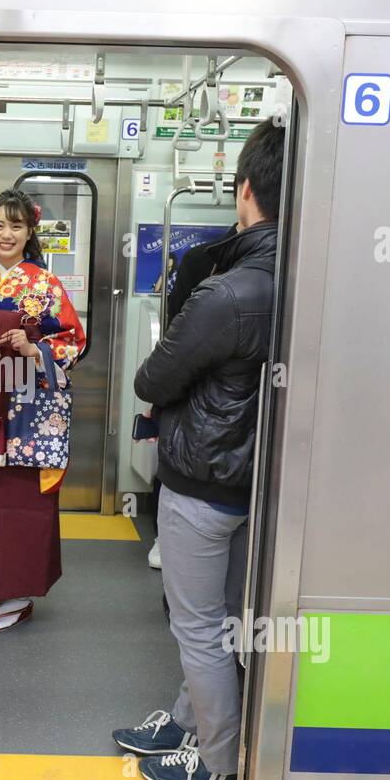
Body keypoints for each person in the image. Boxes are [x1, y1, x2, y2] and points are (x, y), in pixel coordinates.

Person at [113, 119, 284, 780]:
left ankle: (220, 763)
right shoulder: (301, 279)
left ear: (244, 190)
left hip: (203, 481)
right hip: (258, 485)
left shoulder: (227, 291)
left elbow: (153, 381)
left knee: (196, 625)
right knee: (221, 621)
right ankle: (191, 724)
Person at [0, 189, 86, 630]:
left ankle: (19, 594)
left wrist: (33, 347)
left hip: (28, 402)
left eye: (16, 225)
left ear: (30, 233)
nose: (6, 234)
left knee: (22, 499)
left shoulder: (45, 284)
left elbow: (73, 341)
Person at [144, 227, 235, 572]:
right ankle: (163, 536)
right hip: (195, 385)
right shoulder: (201, 259)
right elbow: (176, 331)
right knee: (175, 457)